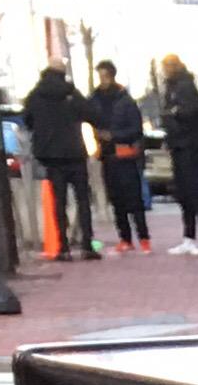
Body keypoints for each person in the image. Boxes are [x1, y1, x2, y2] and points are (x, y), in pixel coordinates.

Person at [21, 61, 98, 259]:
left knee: (59, 202)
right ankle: (87, 244)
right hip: (75, 152)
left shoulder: (36, 95)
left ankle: (63, 247)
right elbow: (90, 114)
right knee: (82, 199)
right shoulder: (71, 93)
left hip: (51, 156)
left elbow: (27, 120)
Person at [84, 61, 151, 249]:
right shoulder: (94, 100)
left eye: (105, 76)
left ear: (112, 76)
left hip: (126, 156)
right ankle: (125, 239)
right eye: (100, 76)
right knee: (116, 200)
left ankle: (144, 238)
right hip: (107, 156)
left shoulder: (126, 101)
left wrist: (113, 136)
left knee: (134, 200)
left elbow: (136, 129)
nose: (102, 80)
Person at [154, 55, 198, 254]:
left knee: (195, 191)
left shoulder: (185, 86)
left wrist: (173, 114)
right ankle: (189, 237)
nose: (166, 70)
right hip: (178, 145)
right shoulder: (171, 88)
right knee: (183, 193)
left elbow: (188, 113)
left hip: (189, 145)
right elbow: (169, 114)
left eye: (169, 66)